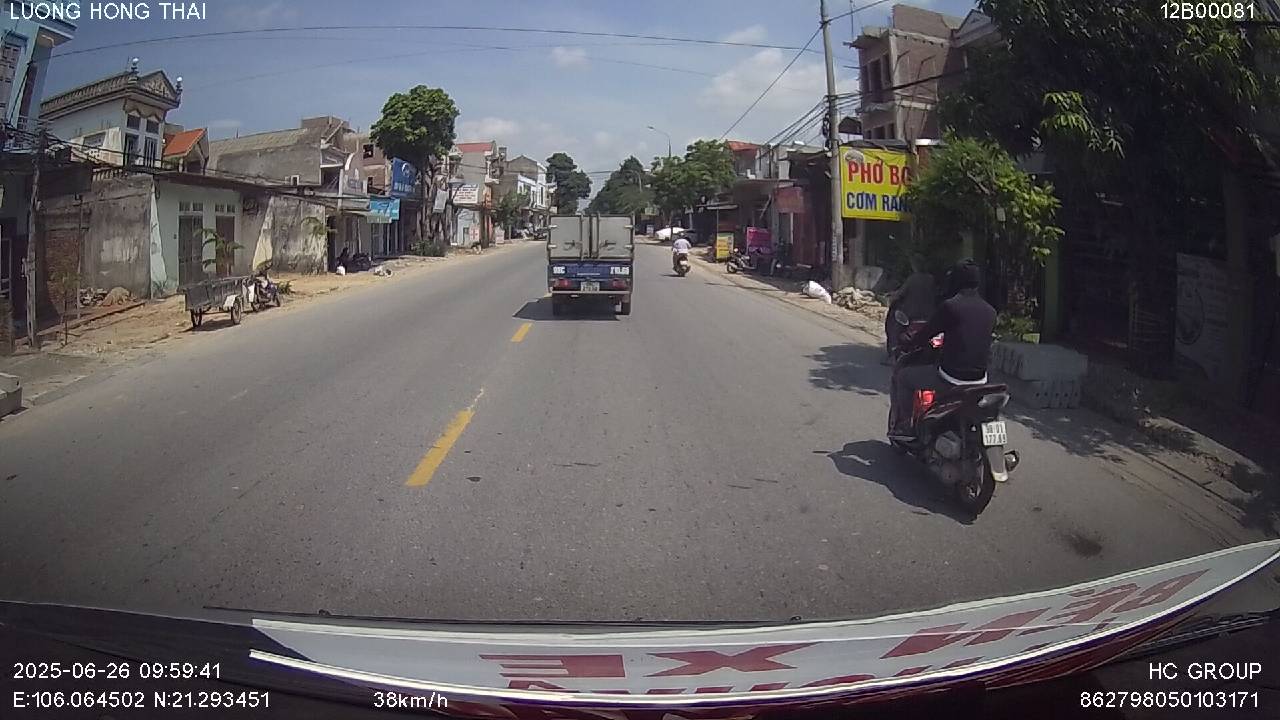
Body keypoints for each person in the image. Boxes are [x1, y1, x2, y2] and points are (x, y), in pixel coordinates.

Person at [888, 259, 997, 437]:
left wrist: (908, 342)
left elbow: (926, 333)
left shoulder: (951, 306)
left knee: (903, 377)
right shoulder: (990, 311)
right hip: (980, 380)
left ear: (956, 280)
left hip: (951, 378)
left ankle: (905, 426)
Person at [883, 253, 937, 364]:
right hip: (929, 314)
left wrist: (891, 295)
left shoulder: (913, 278)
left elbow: (900, 294)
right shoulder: (931, 279)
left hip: (911, 314)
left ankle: (893, 354)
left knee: (894, 327)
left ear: (914, 265)